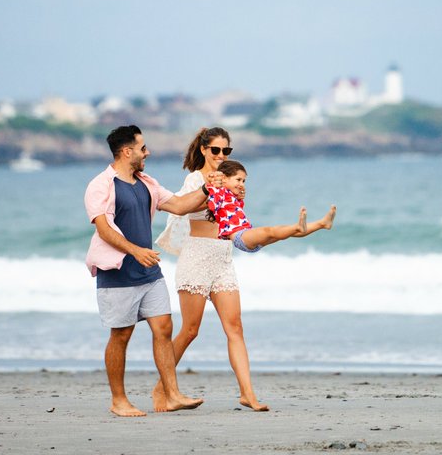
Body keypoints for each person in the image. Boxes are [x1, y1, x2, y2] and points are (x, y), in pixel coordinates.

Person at [84, 124, 211, 417]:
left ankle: (172, 394)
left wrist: (207, 188)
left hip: (148, 272)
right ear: (127, 152)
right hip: (117, 273)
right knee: (121, 335)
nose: (147, 152)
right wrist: (135, 250)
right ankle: (119, 401)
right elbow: (103, 229)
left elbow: (180, 206)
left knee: (163, 328)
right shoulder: (101, 185)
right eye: (143, 148)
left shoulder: (147, 183)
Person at [152, 127, 271, 411]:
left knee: (235, 327)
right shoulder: (195, 179)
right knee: (190, 330)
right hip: (197, 257)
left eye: (226, 150)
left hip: (223, 258)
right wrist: (214, 188)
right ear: (204, 150)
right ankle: (162, 389)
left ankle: (248, 394)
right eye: (215, 150)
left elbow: (232, 219)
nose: (220, 155)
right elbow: (181, 207)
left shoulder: (231, 177)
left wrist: (237, 191)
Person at [206, 159, 337, 252]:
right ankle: (299, 226)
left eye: (244, 181)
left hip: (248, 234)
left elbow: (234, 212)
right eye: (238, 180)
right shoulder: (218, 192)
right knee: (271, 231)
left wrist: (239, 199)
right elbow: (213, 205)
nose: (242, 184)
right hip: (240, 237)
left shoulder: (230, 196)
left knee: (284, 233)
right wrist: (214, 187)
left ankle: (322, 224)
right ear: (224, 179)